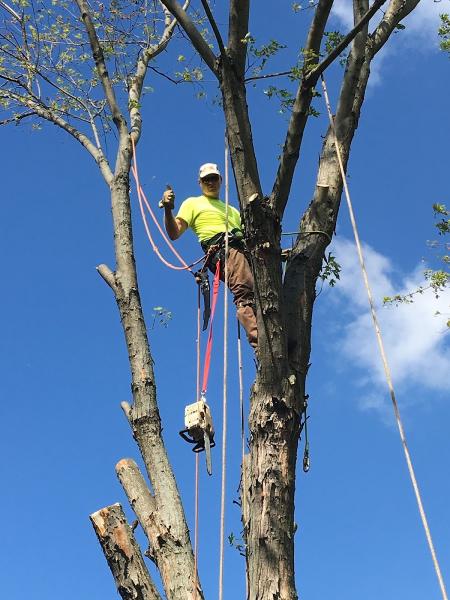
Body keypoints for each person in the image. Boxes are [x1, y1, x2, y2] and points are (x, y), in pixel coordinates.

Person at [161, 163, 257, 349]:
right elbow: (174, 233)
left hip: (243, 251)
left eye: (213, 178)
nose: (210, 183)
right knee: (244, 289)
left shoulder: (234, 211)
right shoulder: (193, 203)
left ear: (220, 180)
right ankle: (260, 343)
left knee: (265, 292)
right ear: (200, 182)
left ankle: (276, 335)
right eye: (206, 180)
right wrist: (168, 209)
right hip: (224, 251)